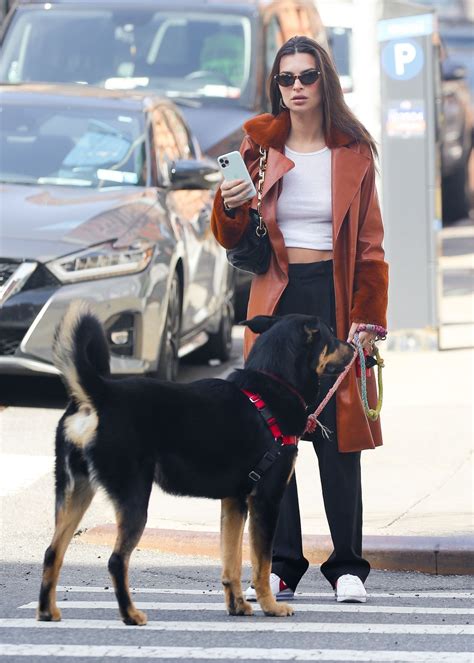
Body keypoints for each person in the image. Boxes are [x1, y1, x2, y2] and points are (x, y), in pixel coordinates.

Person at [210, 35, 388, 604]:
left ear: (325, 81)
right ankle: (282, 561)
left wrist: (368, 318)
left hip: (333, 298)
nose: (296, 88)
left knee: (340, 438)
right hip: (276, 299)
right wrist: (230, 203)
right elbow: (232, 239)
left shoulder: (353, 151)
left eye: (306, 77)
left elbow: (369, 248)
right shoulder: (258, 149)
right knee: (272, 436)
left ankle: (347, 566)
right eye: (286, 79)